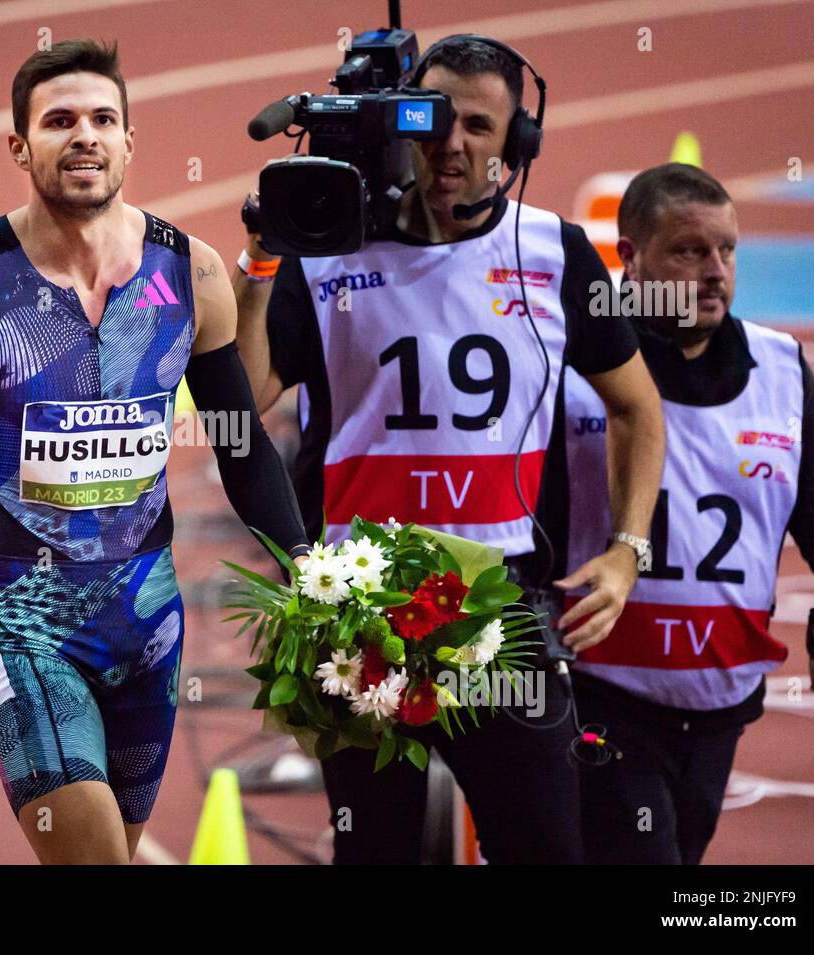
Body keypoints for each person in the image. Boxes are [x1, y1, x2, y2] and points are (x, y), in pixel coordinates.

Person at [0, 38, 310, 864]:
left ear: (130, 142)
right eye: (59, 121)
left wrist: (311, 571)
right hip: (18, 623)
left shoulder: (195, 274)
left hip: (148, 623)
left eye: (104, 119)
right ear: (19, 146)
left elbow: (241, 446)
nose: (85, 137)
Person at [234, 35, 665, 864]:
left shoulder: (553, 251)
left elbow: (638, 410)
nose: (453, 145)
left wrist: (627, 551)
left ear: (516, 145)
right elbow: (245, 406)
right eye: (433, 119)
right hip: (355, 611)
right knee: (377, 853)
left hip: (501, 607)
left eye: (479, 125)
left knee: (545, 848)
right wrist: (261, 265)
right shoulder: (329, 251)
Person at [563, 162, 814, 864]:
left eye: (726, 250)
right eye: (689, 251)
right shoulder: (570, 365)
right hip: (602, 696)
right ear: (628, 256)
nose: (714, 271)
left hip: (720, 709)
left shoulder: (780, 369)